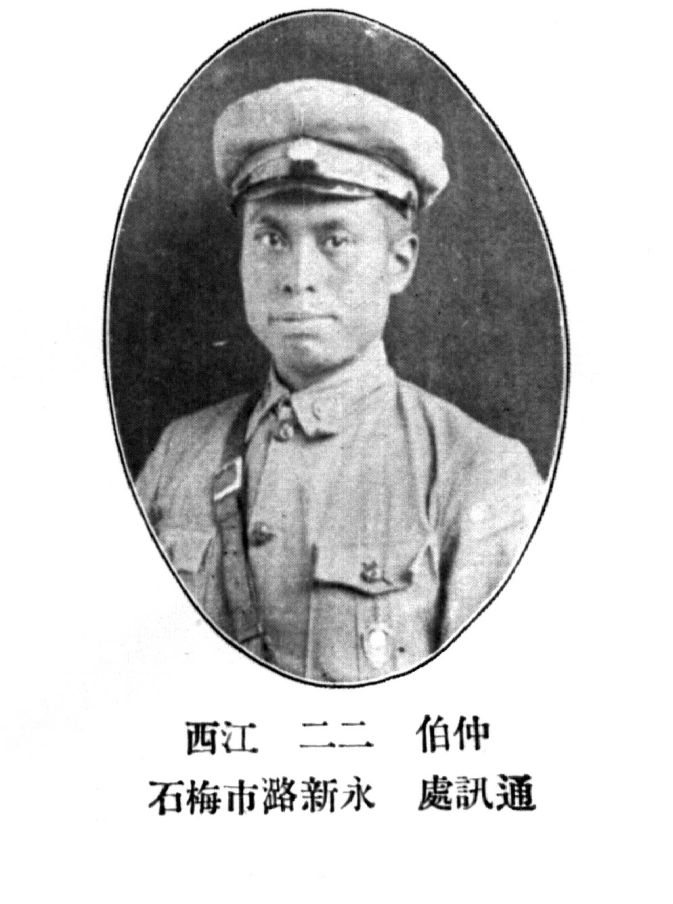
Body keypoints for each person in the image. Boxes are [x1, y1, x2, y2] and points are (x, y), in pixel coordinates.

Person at [136, 78, 544, 684]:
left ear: (399, 262)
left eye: (335, 239)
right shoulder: (178, 455)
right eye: (271, 238)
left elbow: (495, 701)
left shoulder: (478, 472)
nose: (298, 276)